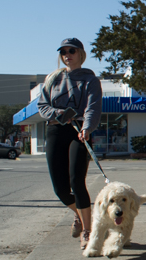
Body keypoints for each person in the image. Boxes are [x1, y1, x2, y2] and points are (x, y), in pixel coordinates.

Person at [37, 38, 103, 248]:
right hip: (56, 129)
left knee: (77, 180)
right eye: (63, 51)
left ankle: (87, 231)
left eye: (71, 50)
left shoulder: (90, 80)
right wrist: (59, 113)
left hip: (79, 131)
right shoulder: (52, 78)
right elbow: (42, 105)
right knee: (61, 189)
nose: (67, 54)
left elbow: (93, 107)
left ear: (81, 54)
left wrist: (87, 128)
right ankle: (81, 215)